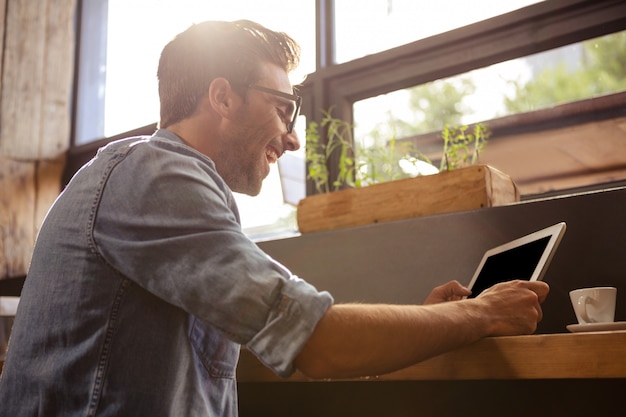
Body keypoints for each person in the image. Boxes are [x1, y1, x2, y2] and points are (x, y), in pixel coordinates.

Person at [0, 20, 548, 417]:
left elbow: (295, 335)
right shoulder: (155, 176)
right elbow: (317, 341)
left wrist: (422, 326)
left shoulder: (164, 186)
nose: (291, 138)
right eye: (284, 109)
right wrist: (480, 316)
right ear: (222, 97)